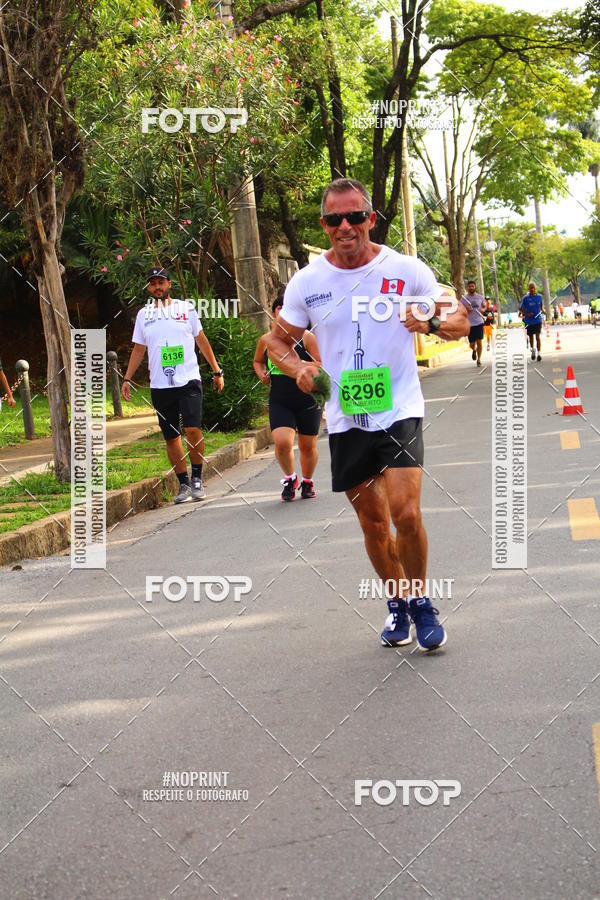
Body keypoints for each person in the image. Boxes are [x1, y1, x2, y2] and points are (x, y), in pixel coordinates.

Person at [267, 178, 469, 651]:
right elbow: (277, 340)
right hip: (345, 416)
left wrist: (433, 322)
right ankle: (396, 603)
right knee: (374, 524)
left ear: (370, 219)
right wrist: (298, 367)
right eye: (335, 218)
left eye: (355, 216)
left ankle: (421, 602)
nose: (345, 226)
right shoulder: (308, 282)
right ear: (324, 224)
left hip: (399, 408)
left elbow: (461, 320)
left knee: (406, 511)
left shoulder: (405, 269)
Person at [121, 267, 224, 503]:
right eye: (153, 283)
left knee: (193, 429)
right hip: (160, 384)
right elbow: (139, 349)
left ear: (169, 284)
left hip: (188, 379)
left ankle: (197, 478)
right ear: (149, 288)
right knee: (171, 436)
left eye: (161, 282)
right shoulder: (143, 315)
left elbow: (201, 339)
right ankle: (184, 484)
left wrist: (217, 371)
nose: (157, 287)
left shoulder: (185, 309)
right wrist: (126, 378)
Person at [253, 294, 323, 501]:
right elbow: (257, 361)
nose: (283, 312)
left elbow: (321, 363)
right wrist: (262, 373)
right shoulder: (266, 340)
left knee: (307, 446)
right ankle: (290, 478)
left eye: (287, 308)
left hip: (308, 398)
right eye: (279, 308)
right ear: (273, 313)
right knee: (282, 442)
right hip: (280, 398)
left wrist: (299, 364)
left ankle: (307, 481)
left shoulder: (307, 337)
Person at [461, 279, 485, 366]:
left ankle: (479, 360)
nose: (471, 288)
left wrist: (483, 309)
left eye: (473, 286)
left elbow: (484, 306)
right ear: (468, 287)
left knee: (479, 341)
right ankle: (474, 350)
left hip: (479, 322)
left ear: (475, 287)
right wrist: (466, 310)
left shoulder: (480, 297)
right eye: (470, 286)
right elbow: (461, 311)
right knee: (471, 344)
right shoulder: (464, 299)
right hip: (469, 324)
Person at [519, 281, 543, 361]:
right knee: (531, 337)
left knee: (537, 336)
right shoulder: (525, 298)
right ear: (529, 289)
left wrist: (542, 311)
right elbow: (520, 309)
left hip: (537, 320)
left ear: (535, 288)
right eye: (531, 288)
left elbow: (541, 307)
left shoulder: (539, 297)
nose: (532, 289)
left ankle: (539, 354)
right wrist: (526, 313)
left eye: (533, 288)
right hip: (528, 321)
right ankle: (533, 350)